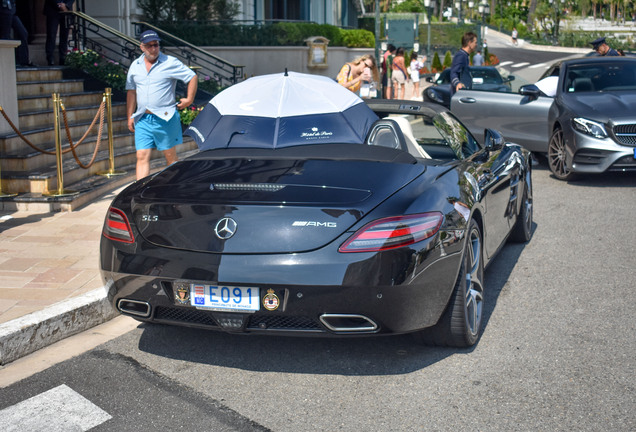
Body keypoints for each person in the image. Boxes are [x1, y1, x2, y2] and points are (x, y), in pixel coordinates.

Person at [126, 30, 198, 180]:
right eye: (149, 46)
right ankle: (140, 191)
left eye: (156, 45)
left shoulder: (170, 62)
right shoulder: (135, 65)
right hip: (142, 118)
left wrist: (189, 99)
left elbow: (192, 76)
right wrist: (129, 116)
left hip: (165, 117)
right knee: (141, 155)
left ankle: (174, 188)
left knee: (170, 155)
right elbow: (131, 92)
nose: (153, 49)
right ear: (142, 47)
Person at [1, 0, 33, 67]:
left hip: (11, 11)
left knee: (23, 33)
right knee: (6, 37)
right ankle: (6, 62)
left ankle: (23, 61)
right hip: (3, 11)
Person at [43, 0, 75, 65]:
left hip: (66, 10)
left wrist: (66, 5)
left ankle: (63, 57)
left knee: (64, 35)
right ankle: (50, 57)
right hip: (52, 9)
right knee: (51, 34)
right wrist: (60, 4)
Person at [450, 32, 477, 96]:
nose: (476, 45)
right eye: (475, 42)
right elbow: (453, 72)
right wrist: (457, 84)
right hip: (459, 95)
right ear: (469, 43)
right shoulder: (461, 55)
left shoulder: (465, 55)